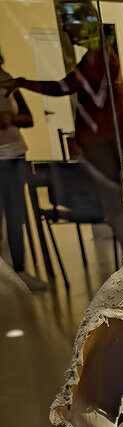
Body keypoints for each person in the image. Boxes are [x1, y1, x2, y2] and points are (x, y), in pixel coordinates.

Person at [1, 2, 123, 259]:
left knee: (115, 208)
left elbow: (64, 87)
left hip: (102, 147)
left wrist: (21, 82)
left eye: (68, 21)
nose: (64, 27)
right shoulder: (96, 56)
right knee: (113, 207)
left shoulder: (99, 56)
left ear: (84, 24)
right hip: (100, 146)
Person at [0, 49, 45, 289]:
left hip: (15, 157)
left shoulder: (8, 81)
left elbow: (28, 119)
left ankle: (20, 271)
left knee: (16, 217)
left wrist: (9, 119)